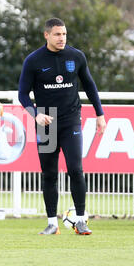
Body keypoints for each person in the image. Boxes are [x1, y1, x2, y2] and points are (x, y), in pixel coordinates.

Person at [18, 18, 106, 235]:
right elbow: (22, 94)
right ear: (46, 35)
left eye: (64, 34)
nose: (62, 38)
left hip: (71, 120)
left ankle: (81, 220)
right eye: (57, 34)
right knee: (49, 174)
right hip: (46, 122)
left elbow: (90, 86)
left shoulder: (76, 56)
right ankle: (51, 223)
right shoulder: (33, 60)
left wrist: (100, 114)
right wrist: (35, 114)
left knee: (76, 170)